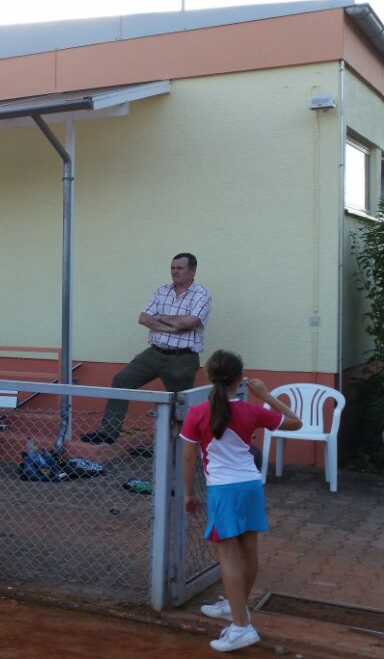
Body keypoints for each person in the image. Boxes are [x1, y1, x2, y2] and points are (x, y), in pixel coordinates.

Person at [180, 350, 302, 653]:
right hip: (250, 485)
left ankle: (241, 627)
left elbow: (189, 458)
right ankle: (236, 608)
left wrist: (188, 493)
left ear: (209, 376)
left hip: (223, 490)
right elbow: (296, 422)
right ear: (240, 378)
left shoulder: (197, 413)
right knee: (248, 550)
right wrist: (266, 395)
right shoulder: (252, 411)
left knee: (228, 557)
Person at [84, 253, 212, 444]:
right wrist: (171, 327)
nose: (175, 272)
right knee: (122, 380)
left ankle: (185, 445)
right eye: (172, 268)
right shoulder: (162, 290)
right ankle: (108, 433)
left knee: (181, 403)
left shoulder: (202, 294)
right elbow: (143, 318)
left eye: (180, 268)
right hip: (154, 353)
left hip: (182, 358)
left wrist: (159, 318)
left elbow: (189, 322)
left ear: (192, 271)